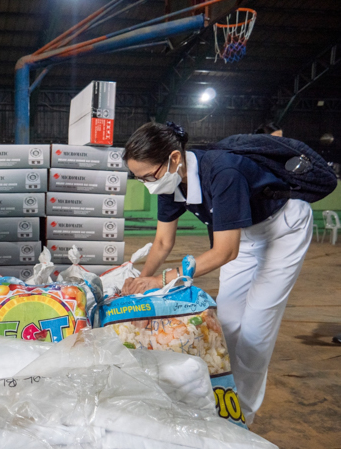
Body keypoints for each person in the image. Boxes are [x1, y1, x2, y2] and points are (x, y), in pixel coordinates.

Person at [121, 121, 313, 425]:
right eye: (139, 178)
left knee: (256, 326)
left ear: (174, 158)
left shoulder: (223, 172)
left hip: (281, 229)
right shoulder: (169, 183)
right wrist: (141, 280)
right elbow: (162, 242)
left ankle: (242, 417)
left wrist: (161, 280)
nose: (147, 184)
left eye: (149, 176)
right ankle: (224, 399)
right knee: (228, 324)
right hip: (242, 233)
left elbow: (225, 253)